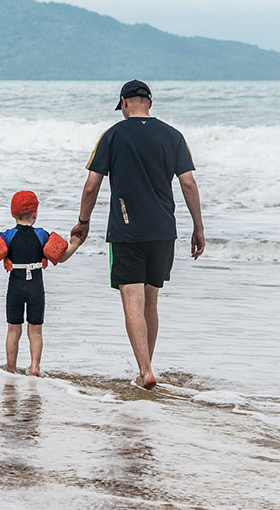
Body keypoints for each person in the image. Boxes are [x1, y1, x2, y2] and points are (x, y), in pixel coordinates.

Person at [72, 80, 205, 389]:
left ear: (124, 102)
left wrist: (83, 221)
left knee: (132, 300)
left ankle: (145, 370)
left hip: (126, 230)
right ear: (149, 103)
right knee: (151, 302)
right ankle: (147, 367)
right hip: (163, 232)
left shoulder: (112, 135)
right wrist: (198, 227)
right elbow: (188, 184)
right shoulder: (173, 136)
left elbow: (91, 185)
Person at [0, 190, 82, 376]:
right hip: (36, 286)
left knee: (13, 329)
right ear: (35, 214)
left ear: (13, 214)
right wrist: (75, 243)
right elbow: (62, 257)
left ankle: (11, 368)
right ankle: (35, 367)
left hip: (15, 286)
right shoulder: (42, 235)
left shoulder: (8, 236)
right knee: (35, 331)